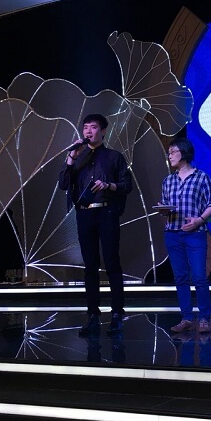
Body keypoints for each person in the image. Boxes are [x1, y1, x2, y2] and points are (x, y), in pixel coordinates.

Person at [59, 113, 133, 337]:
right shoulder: (77, 158)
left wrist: (108, 185)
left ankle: (117, 314)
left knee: (112, 263)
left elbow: (127, 184)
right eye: (85, 128)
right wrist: (71, 157)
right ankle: (92, 315)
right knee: (90, 265)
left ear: (103, 131)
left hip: (107, 211)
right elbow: (63, 184)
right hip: (84, 214)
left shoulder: (114, 157)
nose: (88, 132)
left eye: (93, 127)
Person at [159, 137, 211, 333]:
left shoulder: (202, 177)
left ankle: (205, 318)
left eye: (172, 152)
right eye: (169, 153)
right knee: (180, 278)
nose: (169, 156)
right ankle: (186, 317)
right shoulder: (168, 180)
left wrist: (199, 220)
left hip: (195, 234)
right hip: (172, 234)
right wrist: (163, 210)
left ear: (183, 153)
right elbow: (165, 205)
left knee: (199, 277)